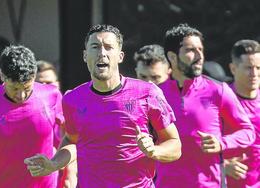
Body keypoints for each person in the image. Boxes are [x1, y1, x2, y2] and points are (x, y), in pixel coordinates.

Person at [24, 24, 181, 187]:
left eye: (108, 47)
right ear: (85, 55)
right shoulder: (72, 99)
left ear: (120, 56)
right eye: (95, 47)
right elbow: (72, 141)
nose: (102, 53)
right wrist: (54, 164)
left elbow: (175, 144)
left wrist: (154, 151)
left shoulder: (147, 93)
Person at [156, 23, 255, 188]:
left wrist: (222, 143)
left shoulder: (218, 91)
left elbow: (247, 132)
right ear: (172, 57)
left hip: (207, 185)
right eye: (190, 50)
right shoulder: (155, 95)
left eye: (200, 49)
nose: (199, 55)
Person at [0, 45, 64, 187]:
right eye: (14, 88)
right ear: (2, 75)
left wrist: (69, 176)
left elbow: (69, 140)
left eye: (26, 88)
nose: (21, 95)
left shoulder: (52, 95)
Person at [36, 60, 78, 188]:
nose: (45, 87)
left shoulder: (69, 106)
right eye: (39, 83)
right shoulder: (28, 115)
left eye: (48, 83)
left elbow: (75, 144)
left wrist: (69, 176)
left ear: (58, 84)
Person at [224, 39, 260, 188]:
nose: (255, 74)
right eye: (249, 68)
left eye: (258, 68)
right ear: (233, 69)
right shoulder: (219, 100)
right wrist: (222, 166)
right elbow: (194, 143)